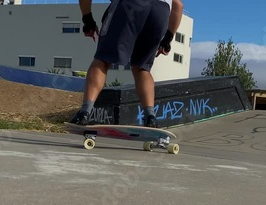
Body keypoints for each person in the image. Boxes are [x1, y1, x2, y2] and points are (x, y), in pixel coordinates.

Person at [69, 0, 184, 128]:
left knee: (102, 59)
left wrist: (88, 20)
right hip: (160, 11)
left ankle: (84, 113)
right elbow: (178, 5)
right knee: (142, 68)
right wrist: (168, 39)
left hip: (129, 6)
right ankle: (150, 117)